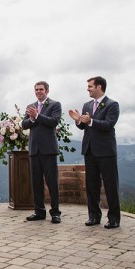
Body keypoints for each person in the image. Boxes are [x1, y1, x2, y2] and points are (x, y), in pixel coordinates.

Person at [69, 76, 121, 229]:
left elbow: (109, 124)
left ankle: (114, 219)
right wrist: (78, 120)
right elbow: (83, 127)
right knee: (91, 186)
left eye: (90, 86)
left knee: (111, 185)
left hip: (106, 151)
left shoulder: (112, 104)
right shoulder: (87, 104)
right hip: (90, 150)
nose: (88, 89)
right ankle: (94, 216)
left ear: (99, 87)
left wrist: (90, 121)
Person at [21, 81, 62, 224]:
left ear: (47, 91)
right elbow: (24, 125)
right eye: (36, 90)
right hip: (34, 149)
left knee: (52, 183)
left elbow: (54, 122)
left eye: (41, 89)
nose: (38, 92)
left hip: (48, 150)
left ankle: (55, 213)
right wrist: (32, 118)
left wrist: (37, 116)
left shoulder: (55, 105)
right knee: (36, 182)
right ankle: (39, 211)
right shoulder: (30, 107)